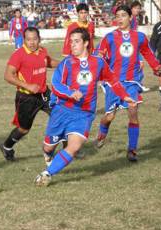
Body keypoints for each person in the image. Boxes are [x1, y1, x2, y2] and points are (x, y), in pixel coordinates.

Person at [34, 28, 135, 187]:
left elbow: (113, 80)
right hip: (62, 110)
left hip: (84, 113)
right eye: (71, 41)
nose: (72, 45)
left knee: (74, 147)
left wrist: (124, 95)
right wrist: (70, 92)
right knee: (48, 146)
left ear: (86, 43)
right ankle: (48, 154)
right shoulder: (67, 63)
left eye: (76, 41)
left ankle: (47, 174)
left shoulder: (98, 62)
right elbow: (56, 85)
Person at [94, 5, 161, 162]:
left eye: (123, 15)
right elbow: (98, 56)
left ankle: (132, 150)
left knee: (133, 112)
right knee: (109, 117)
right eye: (117, 16)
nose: (120, 18)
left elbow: (148, 53)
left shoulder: (139, 37)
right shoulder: (109, 37)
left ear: (130, 17)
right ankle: (102, 131)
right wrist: (98, 62)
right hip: (114, 83)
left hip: (132, 82)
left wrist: (156, 67)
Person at [0, 27, 59, 161]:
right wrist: (28, 86)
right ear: (24, 40)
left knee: (60, 116)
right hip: (26, 98)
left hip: (45, 94)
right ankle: (7, 147)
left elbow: (48, 62)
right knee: (23, 129)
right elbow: (8, 76)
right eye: (28, 39)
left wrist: (64, 64)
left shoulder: (42, 50)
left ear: (39, 39)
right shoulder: (19, 54)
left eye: (34, 39)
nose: (32, 42)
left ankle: (69, 150)